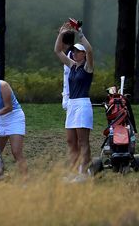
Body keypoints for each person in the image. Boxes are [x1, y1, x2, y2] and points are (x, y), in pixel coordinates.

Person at [54, 22, 94, 178]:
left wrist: (80, 33)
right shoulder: (72, 65)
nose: (75, 54)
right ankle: (73, 171)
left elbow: (90, 50)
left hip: (83, 104)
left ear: (83, 55)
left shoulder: (87, 68)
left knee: (82, 141)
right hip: (72, 105)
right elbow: (57, 51)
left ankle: (85, 171)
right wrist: (61, 34)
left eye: (78, 52)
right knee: (71, 140)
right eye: (74, 51)